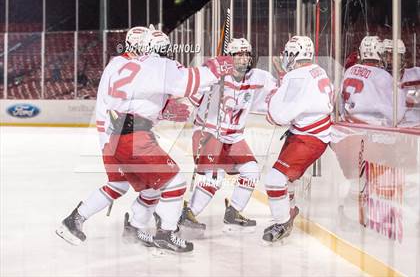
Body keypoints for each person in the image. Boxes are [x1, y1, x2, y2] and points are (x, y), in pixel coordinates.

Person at [56, 26, 236, 253]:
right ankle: (166, 234)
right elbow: (188, 82)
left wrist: (163, 111)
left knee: (145, 188)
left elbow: (136, 99)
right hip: (133, 137)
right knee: (175, 182)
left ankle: (125, 226)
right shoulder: (156, 64)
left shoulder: (122, 64)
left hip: (114, 135)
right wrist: (216, 67)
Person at [179, 38, 278, 232]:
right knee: (214, 177)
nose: (243, 59)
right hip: (209, 132)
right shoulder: (216, 76)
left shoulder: (259, 77)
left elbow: (277, 91)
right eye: (238, 55)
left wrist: (285, 77)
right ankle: (188, 212)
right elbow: (192, 93)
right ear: (229, 58)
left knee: (251, 171)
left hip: (234, 136)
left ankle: (233, 211)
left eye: (246, 54)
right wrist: (211, 72)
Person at [262, 36, 334, 243]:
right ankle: (290, 211)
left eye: (287, 53)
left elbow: (278, 117)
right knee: (287, 179)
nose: (284, 57)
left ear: (294, 54)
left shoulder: (295, 78)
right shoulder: (318, 70)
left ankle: (282, 221)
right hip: (308, 133)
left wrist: (275, 95)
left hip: (309, 138)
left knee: (274, 179)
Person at [340, 36, 406, 126]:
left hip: (350, 123)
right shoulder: (382, 75)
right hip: (372, 126)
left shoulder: (349, 71)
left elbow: (339, 102)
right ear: (380, 54)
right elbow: (398, 114)